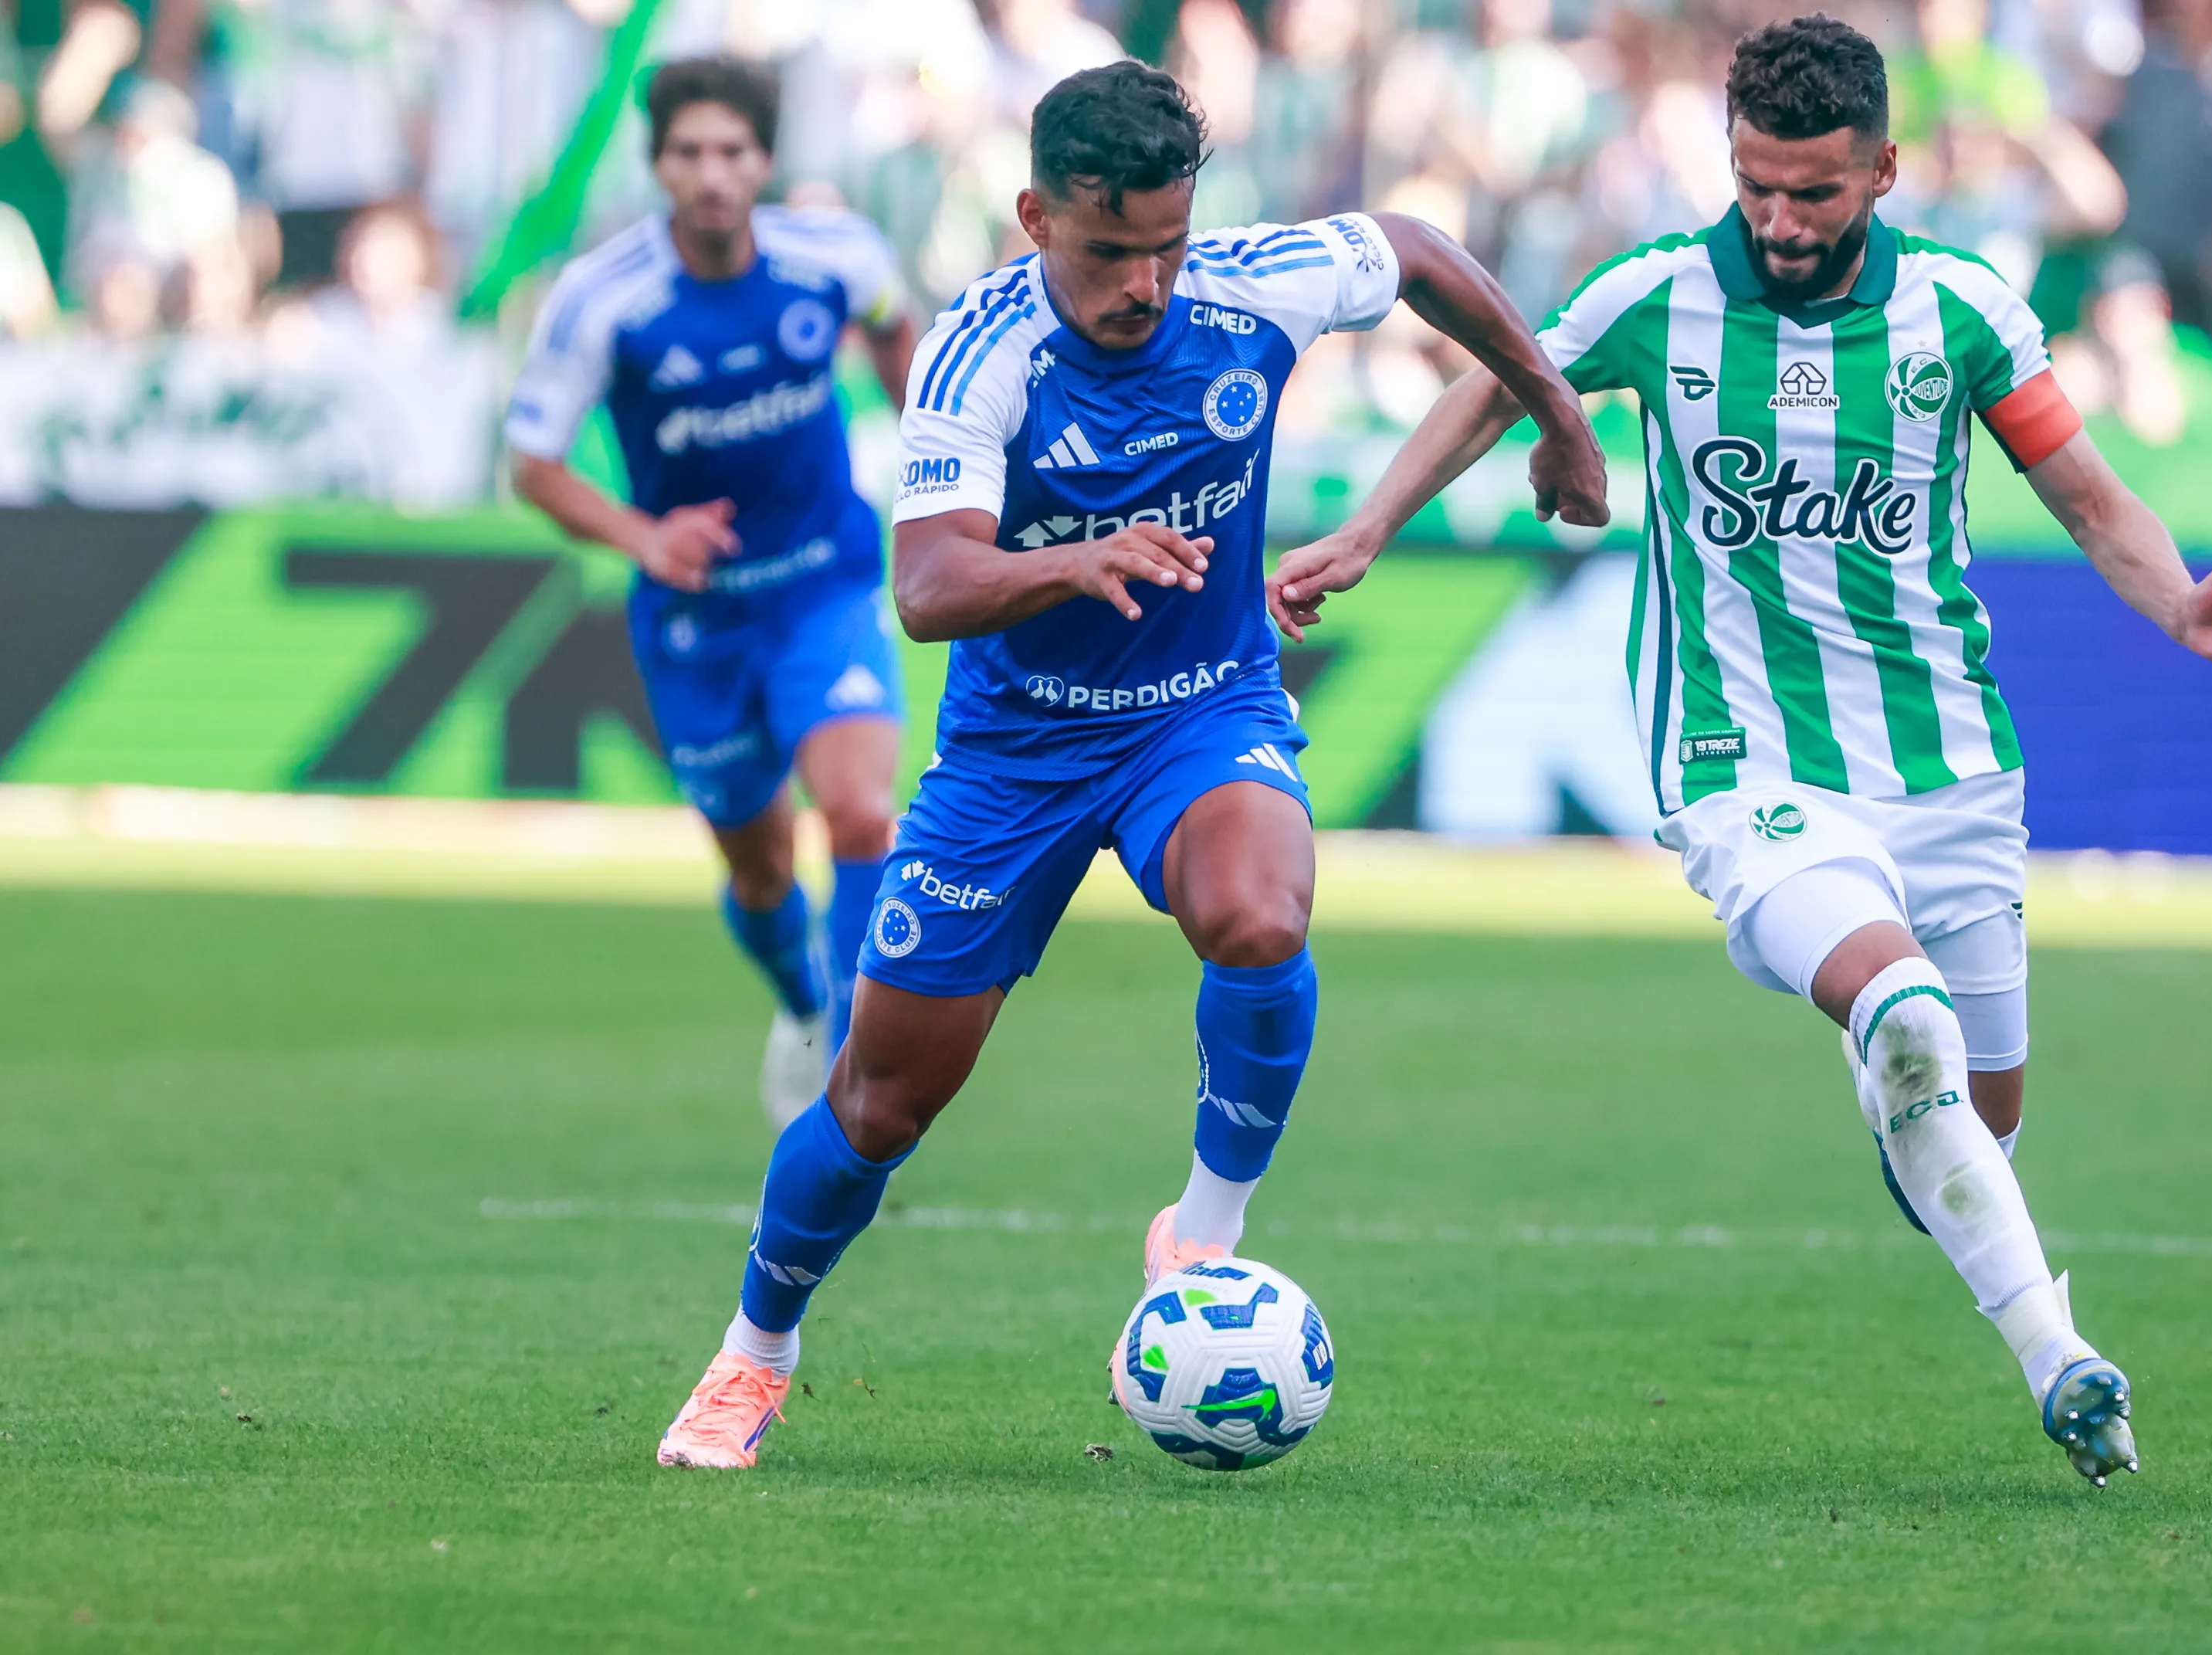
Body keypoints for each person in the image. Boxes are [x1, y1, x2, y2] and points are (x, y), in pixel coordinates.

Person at [1268, 15, 2212, 1487]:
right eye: (1756, 183)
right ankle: (2062, 1360)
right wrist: (1372, 526)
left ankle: (1904, 1070)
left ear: (1884, 169)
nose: (1778, 218)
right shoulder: (1661, 291)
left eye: (1813, 192)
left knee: (1967, 1130)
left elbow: (2087, 497)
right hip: (1742, 760)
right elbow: (1496, 375)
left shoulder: (1962, 312)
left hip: (1950, 767)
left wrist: (2183, 599)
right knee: (1910, 1022)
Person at [653, 59, 1610, 1469]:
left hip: (1199, 711)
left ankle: (1202, 1238)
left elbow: (1414, 253)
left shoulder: (1249, 285)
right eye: (1111, 252)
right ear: (1036, 216)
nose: (1147, 283)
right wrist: (1075, 558)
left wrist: (1557, 409)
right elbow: (924, 588)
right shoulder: (978, 351)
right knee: (878, 1102)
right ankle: (756, 1351)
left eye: (1167, 244)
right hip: (1013, 752)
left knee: (1262, 913)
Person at [507, 57, 918, 1131]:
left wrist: (932, 443)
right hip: (698, 620)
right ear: (658, 166)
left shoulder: (836, 255)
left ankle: (857, 1059)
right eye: (688, 154)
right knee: (761, 863)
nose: (712, 175)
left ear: (765, 160)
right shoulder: (604, 300)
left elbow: (898, 326)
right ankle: (803, 1002)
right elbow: (534, 464)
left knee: (865, 810)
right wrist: (644, 535)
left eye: (732, 152)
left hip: (823, 584)